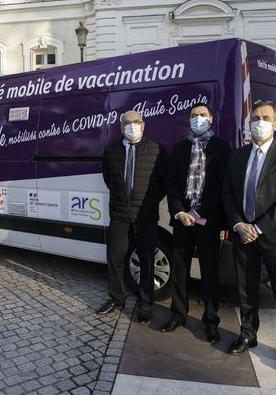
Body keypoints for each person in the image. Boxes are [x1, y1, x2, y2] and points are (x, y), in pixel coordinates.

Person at [223, 100, 276, 372]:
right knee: (246, 291)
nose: (260, 122)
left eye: (265, 117)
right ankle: (248, 333)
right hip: (243, 236)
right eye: (255, 117)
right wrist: (238, 224)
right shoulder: (237, 156)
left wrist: (257, 227)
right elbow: (228, 194)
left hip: (275, 237)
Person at [159, 103, 230, 344]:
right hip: (182, 221)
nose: (197, 119)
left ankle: (211, 321)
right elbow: (171, 183)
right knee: (179, 270)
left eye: (202, 115)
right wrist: (180, 211)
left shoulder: (221, 147)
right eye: (193, 116)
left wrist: (198, 210)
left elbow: (222, 185)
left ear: (211, 118)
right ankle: (178, 314)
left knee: (209, 272)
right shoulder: (180, 148)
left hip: (207, 220)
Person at [96, 110, 168, 324]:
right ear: (121, 127)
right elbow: (109, 178)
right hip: (119, 214)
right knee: (115, 257)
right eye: (127, 123)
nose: (132, 126)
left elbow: (163, 183)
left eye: (136, 122)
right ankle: (117, 298)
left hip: (145, 215)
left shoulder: (156, 150)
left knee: (146, 260)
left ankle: (146, 303)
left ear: (143, 125)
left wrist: (149, 201)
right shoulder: (111, 151)